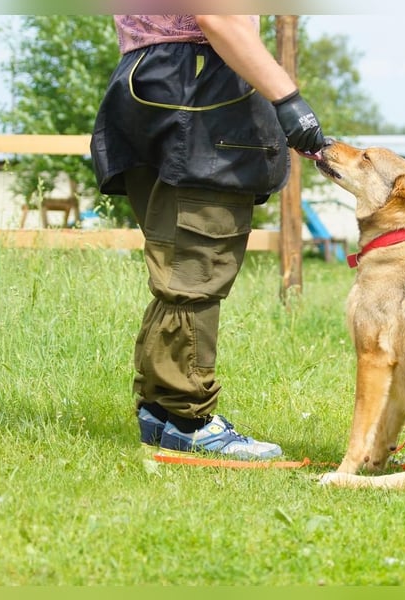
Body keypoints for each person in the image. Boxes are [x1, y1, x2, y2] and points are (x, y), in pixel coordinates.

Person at [91, 15, 324, 459]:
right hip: (200, 84)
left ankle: (161, 411)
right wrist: (288, 98)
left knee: (176, 256)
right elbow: (218, 15)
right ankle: (188, 418)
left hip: (143, 78)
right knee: (199, 258)